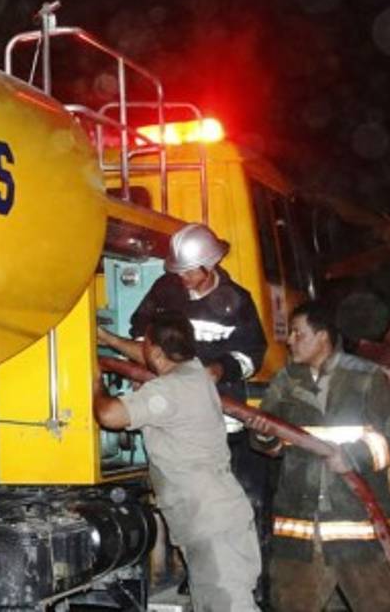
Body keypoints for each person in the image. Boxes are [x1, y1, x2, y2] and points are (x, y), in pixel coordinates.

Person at [98, 223, 270, 598]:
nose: (186, 279)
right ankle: (207, 583)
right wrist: (114, 343)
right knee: (204, 534)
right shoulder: (166, 292)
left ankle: (240, 589)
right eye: (179, 272)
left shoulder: (236, 301)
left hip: (222, 425)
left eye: (192, 272)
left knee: (228, 521)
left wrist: (218, 370)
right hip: (176, 421)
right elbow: (146, 339)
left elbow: (251, 355)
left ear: (214, 263)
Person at [245, 301, 390, 612]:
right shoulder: (286, 381)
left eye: (298, 333)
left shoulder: (367, 378)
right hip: (301, 529)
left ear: (322, 336)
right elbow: (268, 442)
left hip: (359, 528)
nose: (289, 340)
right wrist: (264, 435)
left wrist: (354, 456)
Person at [93, 309, 261, 612]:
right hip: (216, 516)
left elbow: (109, 415)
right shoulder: (193, 371)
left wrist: (95, 382)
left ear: (157, 352)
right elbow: (149, 357)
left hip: (211, 523)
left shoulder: (169, 390)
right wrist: (108, 339)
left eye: (146, 345)